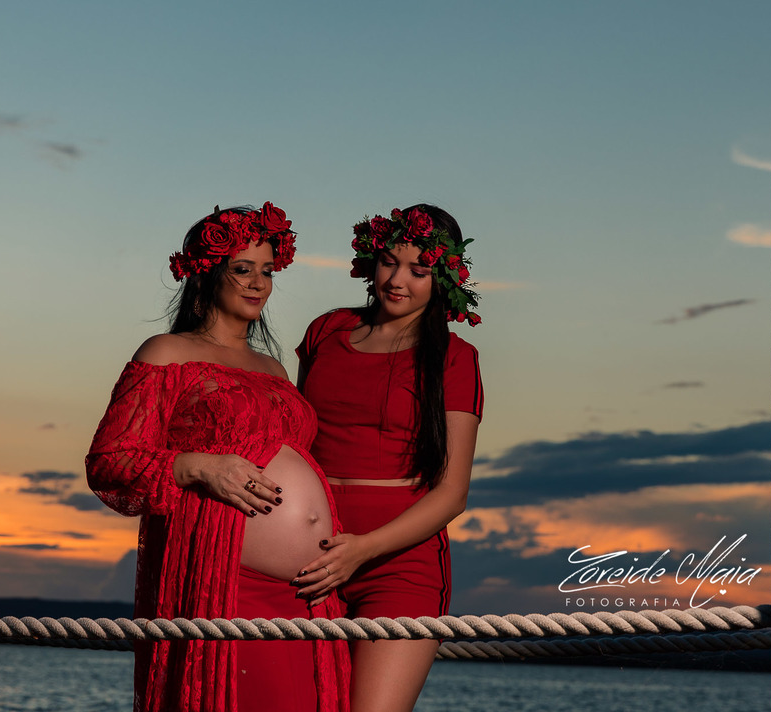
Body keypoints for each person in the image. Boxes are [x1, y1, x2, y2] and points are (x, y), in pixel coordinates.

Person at [86, 203, 350, 712]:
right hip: (227, 583)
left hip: (310, 593)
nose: (258, 284)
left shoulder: (274, 369)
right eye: (243, 269)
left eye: (267, 272)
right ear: (206, 273)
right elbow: (110, 461)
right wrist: (201, 466)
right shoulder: (166, 352)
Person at [291, 204, 483, 712]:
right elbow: (293, 441)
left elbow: (452, 493)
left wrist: (363, 550)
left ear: (444, 278)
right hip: (304, 556)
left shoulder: (455, 358)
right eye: (389, 262)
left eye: (419, 270)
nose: (397, 281)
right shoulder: (326, 331)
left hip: (399, 567)